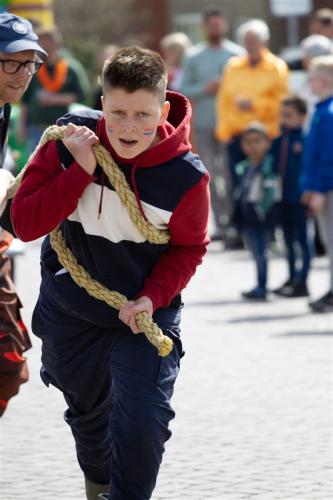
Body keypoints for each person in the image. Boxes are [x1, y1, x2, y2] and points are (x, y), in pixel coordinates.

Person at [11, 46, 210, 499]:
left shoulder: (185, 176)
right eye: (117, 111)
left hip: (143, 313)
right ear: (102, 103)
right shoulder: (69, 140)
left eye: (143, 114)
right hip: (72, 307)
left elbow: (190, 248)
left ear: (162, 109)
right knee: (88, 416)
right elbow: (25, 225)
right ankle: (98, 485)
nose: (128, 127)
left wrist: (152, 297)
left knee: (142, 421)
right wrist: (78, 171)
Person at [0, 12, 46, 416]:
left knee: (9, 367)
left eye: (30, 63)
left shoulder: (4, 107)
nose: (23, 72)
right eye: (11, 61)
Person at [181, 7, 243, 241]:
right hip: (205, 125)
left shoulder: (237, 54)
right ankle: (221, 223)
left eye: (219, 24)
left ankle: (236, 221)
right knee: (209, 175)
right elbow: (184, 87)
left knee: (230, 174)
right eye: (211, 24)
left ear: (224, 25)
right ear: (204, 27)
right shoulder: (194, 56)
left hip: (232, 125)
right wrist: (205, 89)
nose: (215, 28)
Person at [216, 19, 289, 192]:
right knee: (238, 187)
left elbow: (282, 102)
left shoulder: (277, 67)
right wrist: (224, 132)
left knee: (266, 188)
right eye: (247, 42)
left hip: (266, 137)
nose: (251, 45)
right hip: (237, 137)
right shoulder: (233, 66)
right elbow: (223, 101)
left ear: (265, 41)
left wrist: (255, 104)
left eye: (255, 41)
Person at [19, 26, 89, 153]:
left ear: (57, 45)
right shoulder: (34, 68)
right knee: (35, 166)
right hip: (36, 129)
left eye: (48, 43)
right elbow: (25, 100)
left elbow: (82, 95)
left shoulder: (70, 68)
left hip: (63, 129)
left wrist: (55, 99)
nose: (45, 47)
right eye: (41, 43)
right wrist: (21, 126)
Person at [232, 122, 280, 300]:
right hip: (247, 213)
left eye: (257, 141)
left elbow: (271, 191)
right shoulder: (243, 167)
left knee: (262, 252)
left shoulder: (269, 166)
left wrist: (262, 210)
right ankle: (259, 284)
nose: (253, 146)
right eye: (248, 142)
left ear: (267, 142)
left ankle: (262, 286)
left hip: (262, 214)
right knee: (253, 250)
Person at [301, 55, 333, 313]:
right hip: (321, 187)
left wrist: (319, 188)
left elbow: (327, 157)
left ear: (323, 82)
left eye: (311, 79)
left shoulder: (329, 113)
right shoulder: (322, 110)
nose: (309, 84)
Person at [272, 95, 312, 298]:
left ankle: (303, 281)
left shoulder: (306, 140)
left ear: (303, 117)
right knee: (287, 240)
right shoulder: (279, 140)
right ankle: (291, 276)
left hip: (300, 199)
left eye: (290, 115)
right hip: (282, 198)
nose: (285, 119)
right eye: (283, 115)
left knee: (303, 241)